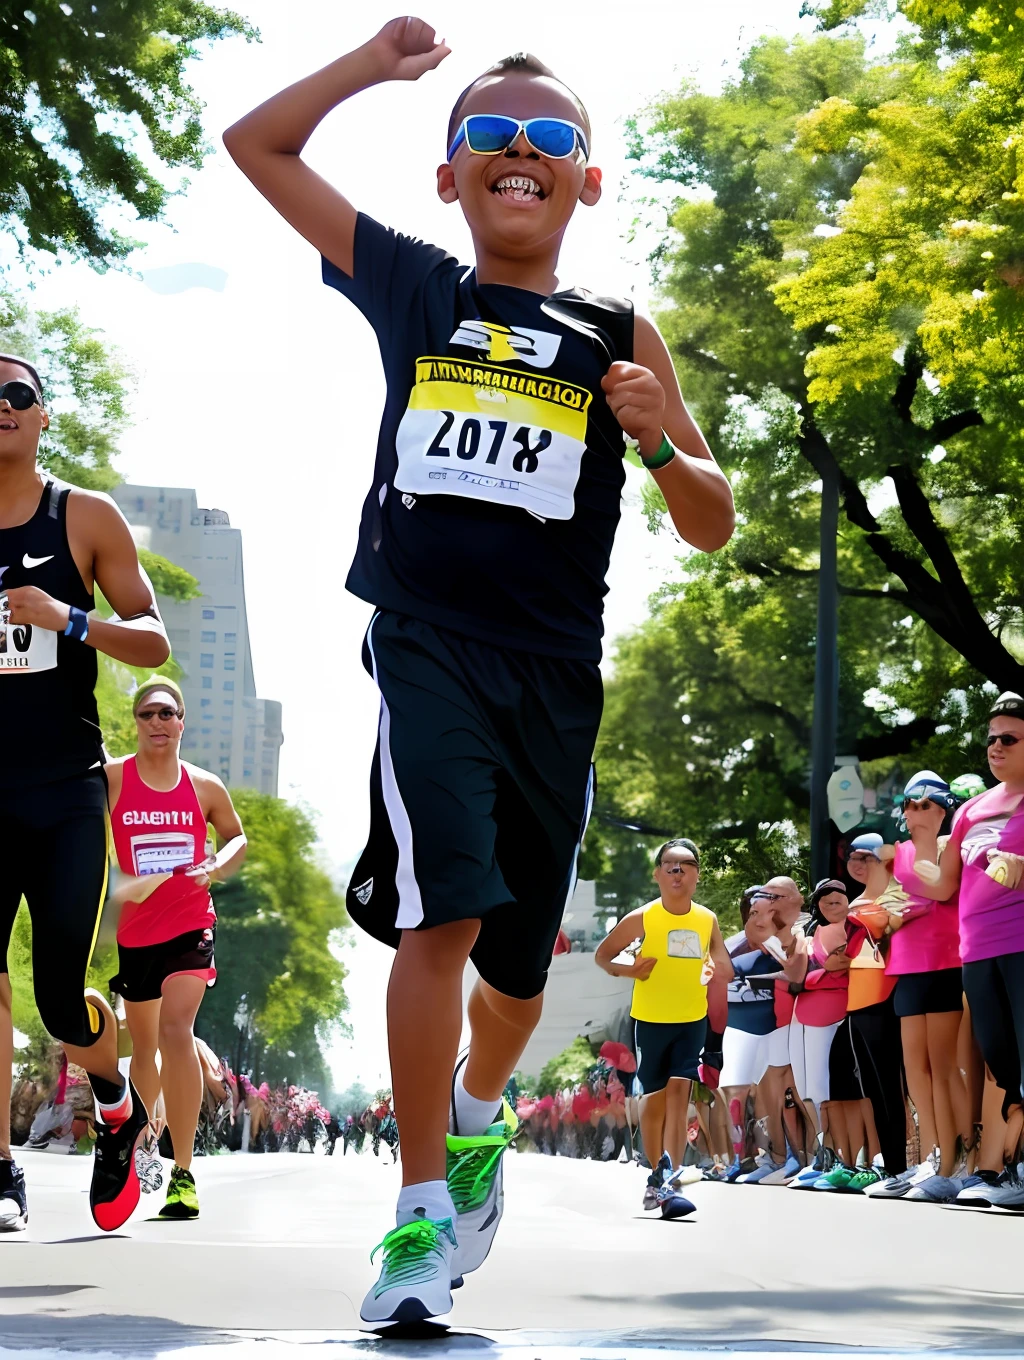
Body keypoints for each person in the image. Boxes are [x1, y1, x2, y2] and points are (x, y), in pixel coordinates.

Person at [224, 16, 734, 1322]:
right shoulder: (413, 285)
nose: (521, 152)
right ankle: (413, 1219)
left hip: (556, 677)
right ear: (448, 176)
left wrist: (661, 445)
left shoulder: (618, 328)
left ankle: (472, 1116)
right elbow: (255, 144)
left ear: (587, 178)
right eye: (489, 137)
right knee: (437, 912)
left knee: (512, 983)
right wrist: (366, 71)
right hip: (425, 645)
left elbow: (713, 516)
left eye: (550, 136)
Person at [0, 353, 171, 1233]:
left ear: (42, 417)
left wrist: (63, 616)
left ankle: (116, 1101)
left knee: (61, 999)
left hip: (64, 792)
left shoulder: (84, 516)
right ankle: (1, 1172)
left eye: (17, 394)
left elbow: (153, 642)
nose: (1, 406)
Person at [104, 677, 247, 1220]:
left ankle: (182, 1173)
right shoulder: (114, 778)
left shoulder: (204, 787)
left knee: (176, 1029)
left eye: (167, 713)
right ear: (136, 723)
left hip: (191, 924)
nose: (158, 722)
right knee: (143, 1045)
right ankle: (143, 1155)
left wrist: (216, 863)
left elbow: (236, 836)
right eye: (147, 714)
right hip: (136, 930)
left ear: (182, 721)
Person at [910, 692, 1024, 1208]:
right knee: (1003, 1062)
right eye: (991, 739)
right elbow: (943, 885)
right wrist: (919, 842)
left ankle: (1011, 1168)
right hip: (976, 951)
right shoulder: (974, 808)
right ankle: (1009, 1171)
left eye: (1009, 739)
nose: (995, 747)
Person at [595, 839, 734, 1216]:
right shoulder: (642, 918)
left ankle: (668, 1178)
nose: (678, 872)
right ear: (657, 874)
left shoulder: (707, 919)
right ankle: (656, 1175)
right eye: (670, 866)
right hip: (652, 1020)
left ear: (697, 875)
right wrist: (631, 969)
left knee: (679, 1093)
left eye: (686, 865)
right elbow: (602, 956)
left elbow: (723, 963)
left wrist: (716, 966)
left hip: (691, 1019)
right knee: (654, 1100)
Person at [873, 773, 969, 1202]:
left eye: (925, 803)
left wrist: (910, 905)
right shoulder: (901, 854)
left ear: (943, 808)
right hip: (907, 967)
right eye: (909, 804)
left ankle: (961, 1160)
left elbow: (950, 893)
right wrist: (900, 915)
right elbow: (887, 915)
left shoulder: (955, 846)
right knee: (916, 1072)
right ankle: (932, 1158)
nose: (915, 811)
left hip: (947, 961)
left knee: (945, 1069)